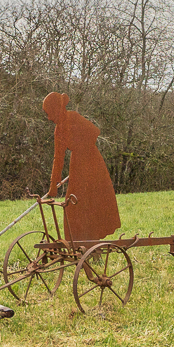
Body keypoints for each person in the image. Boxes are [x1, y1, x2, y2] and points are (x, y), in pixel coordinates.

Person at [43, 92, 121, 242]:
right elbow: (58, 158)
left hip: (92, 163)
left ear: (57, 110)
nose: (49, 118)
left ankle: (93, 240)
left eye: (50, 113)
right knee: (72, 205)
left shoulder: (73, 117)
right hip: (77, 165)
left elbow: (95, 131)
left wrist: (80, 145)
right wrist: (53, 184)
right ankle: (78, 242)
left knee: (91, 202)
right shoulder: (58, 130)